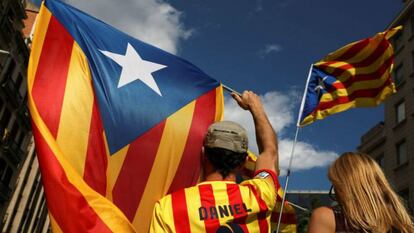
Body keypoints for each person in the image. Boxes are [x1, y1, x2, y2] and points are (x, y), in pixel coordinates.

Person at [149, 91, 280, 233]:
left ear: (204, 154)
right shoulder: (259, 194)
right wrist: (255, 107)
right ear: (243, 163)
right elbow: (269, 151)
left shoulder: (168, 207)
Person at [308, 152, 414, 233]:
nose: (335, 193)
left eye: (336, 185)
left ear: (346, 187)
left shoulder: (326, 217)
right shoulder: (405, 226)